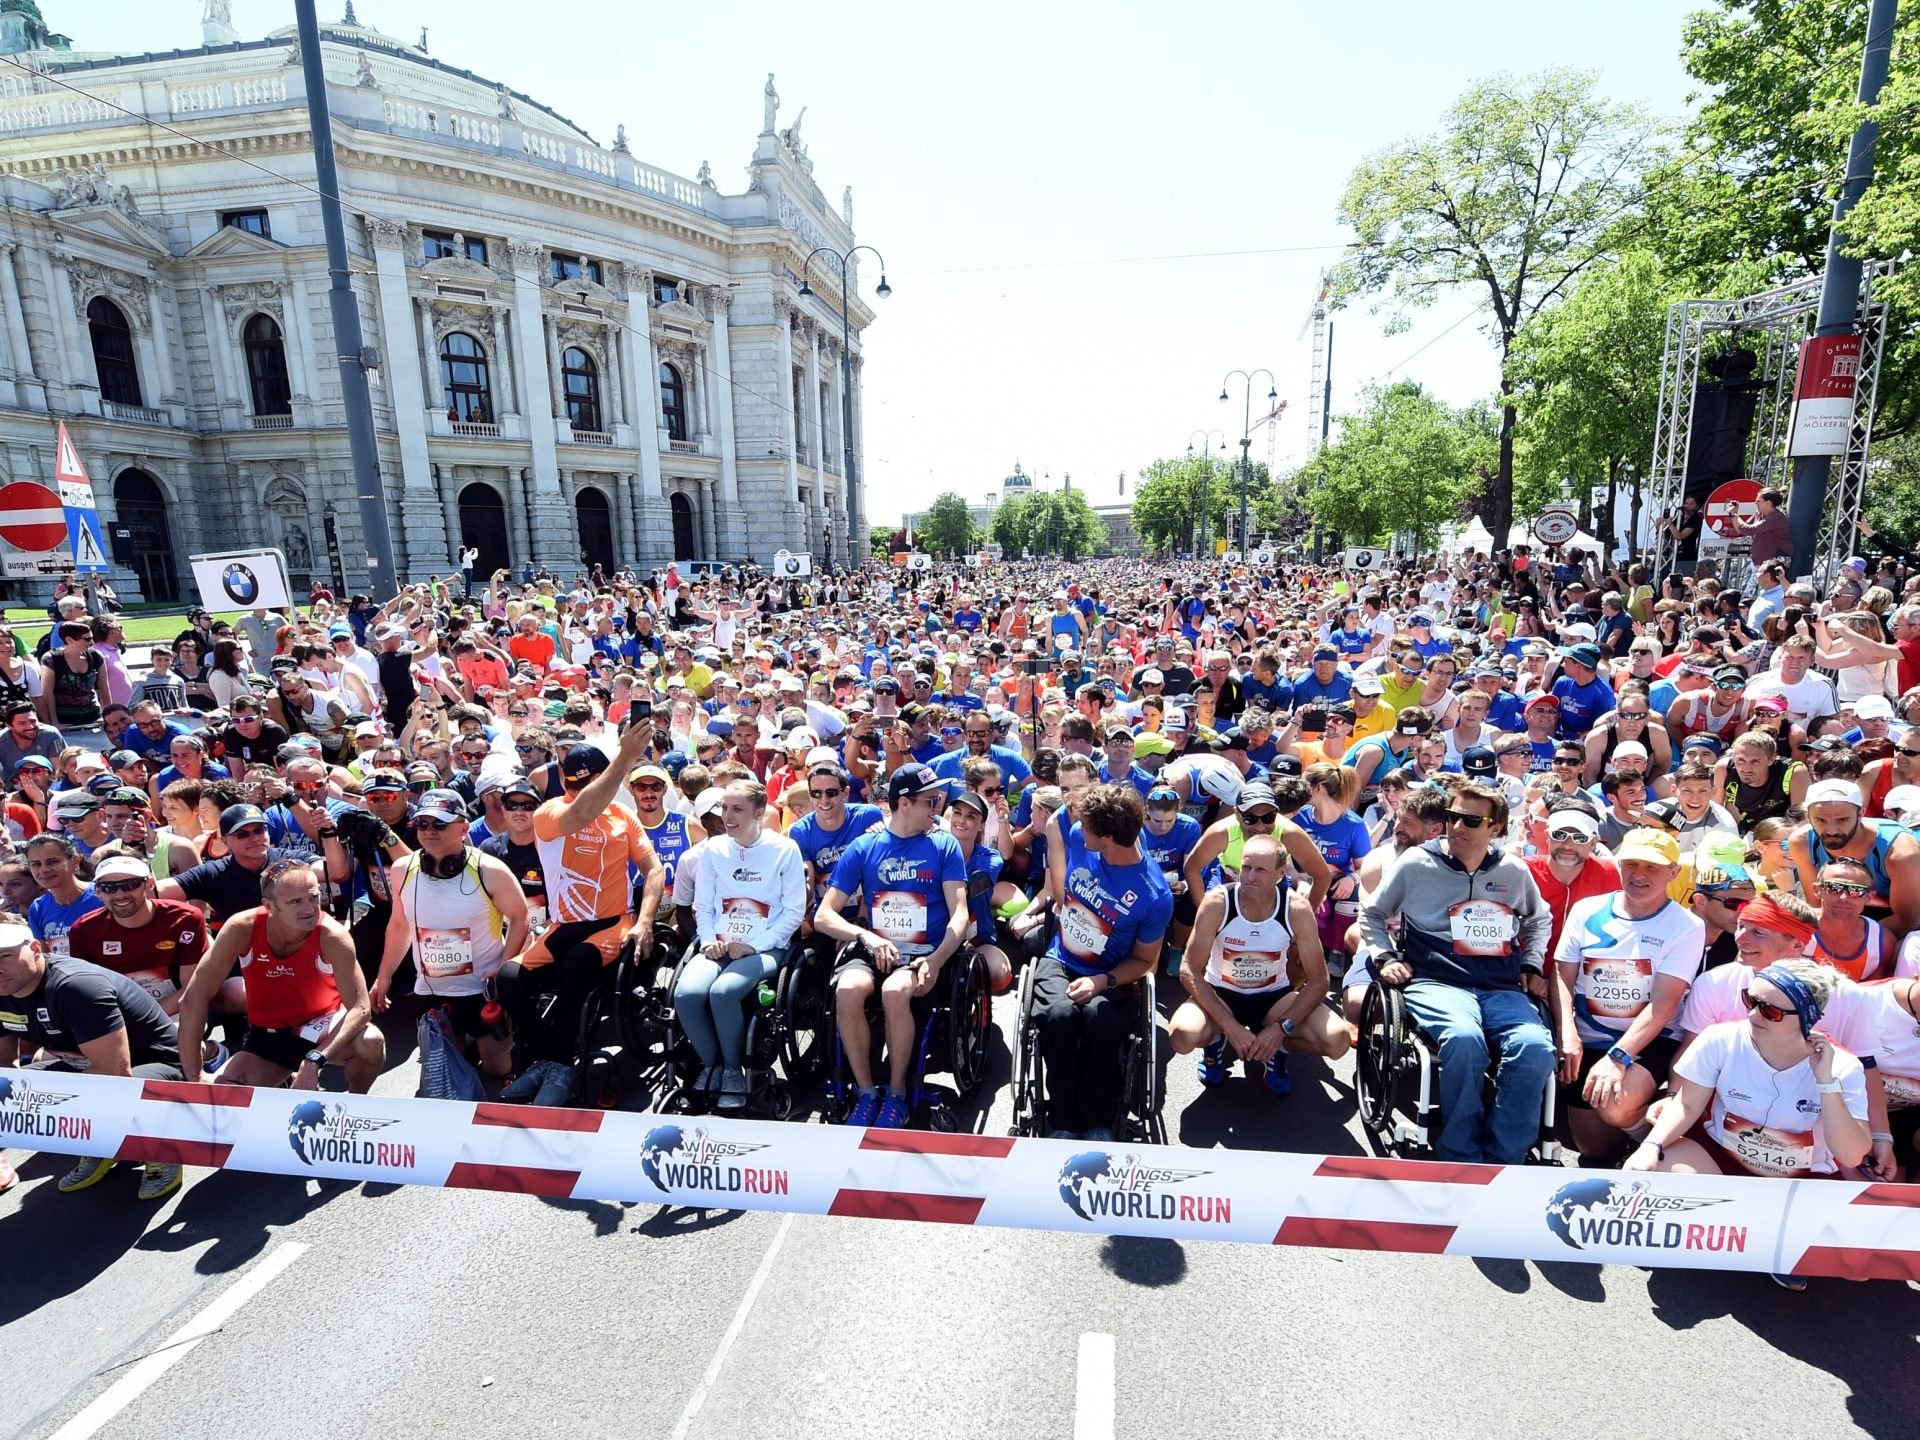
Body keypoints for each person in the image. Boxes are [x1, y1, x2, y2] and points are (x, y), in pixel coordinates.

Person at [1358, 780, 1555, 1164]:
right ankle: (1460, 1150)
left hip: (1500, 984)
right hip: (1437, 979)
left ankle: (1505, 1155)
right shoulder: (1417, 863)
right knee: (1464, 1040)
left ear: (1495, 828)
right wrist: (1385, 957)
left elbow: (1538, 919)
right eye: (1452, 817)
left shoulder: (1512, 871)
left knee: (1535, 1048)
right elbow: (1373, 913)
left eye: (1470, 820)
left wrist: (1532, 962)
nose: (1457, 827)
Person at [813, 764, 969, 1128]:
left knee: (896, 992)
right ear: (904, 803)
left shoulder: (944, 844)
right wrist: (863, 935)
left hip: (923, 952)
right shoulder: (864, 846)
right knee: (849, 990)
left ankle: (896, 1093)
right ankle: (866, 1092)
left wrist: (936, 958)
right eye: (930, 801)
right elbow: (824, 916)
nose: (937, 807)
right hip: (874, 945)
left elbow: (959, 914)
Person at [499, 725, 660, 1072]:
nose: (576, 792)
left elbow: (654, 870)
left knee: (575, 966)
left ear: (602, 779)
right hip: (566, 923)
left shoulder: (622, 816)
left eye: (585, 785)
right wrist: (624, 760)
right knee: (509, 978)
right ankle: (541, 1053)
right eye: (570, 785)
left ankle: (560, 1064)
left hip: (613, 923)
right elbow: (581, 813)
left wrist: (645, 922)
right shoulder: (550, 812)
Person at [0, 917, 187, 1200]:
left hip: (152, 1066)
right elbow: (6, 1069)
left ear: (36, 948)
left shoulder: (76, 987)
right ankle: (101, 1146)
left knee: (101, 1091)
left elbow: (115, 1074)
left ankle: (159, 1147)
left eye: (4, 956)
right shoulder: (4, 990)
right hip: (87, 1065)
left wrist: (48, 1102)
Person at [1550, 828, 1705, 1163]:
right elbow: (1562, 976)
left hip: (1651, 1039)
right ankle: (1631, 1146)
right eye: (1632, 864)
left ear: (1674, 873)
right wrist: (1568, 1034)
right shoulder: (1586, 910)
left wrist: (1617, 1058)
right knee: (1592, 1149)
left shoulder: (1686, 926)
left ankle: (1653, 1141)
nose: (1639, 874)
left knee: (1615, 1104)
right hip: (1588, 1039)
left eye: (1652, 867)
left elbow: (1664, 1005)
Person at [1031, 783, 1174, 1140]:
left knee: (1099, 1018)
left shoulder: (1153, 895)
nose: (1079, 827)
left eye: (1089, 825)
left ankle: (1098, 1119)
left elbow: (1144, 960)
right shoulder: (1081, 834)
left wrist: (1103, 981)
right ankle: (1062, 1118)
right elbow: (1063, 815)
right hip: (1062, 958)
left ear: (1108, 836)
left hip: (1111, 975)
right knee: (1060, 1016)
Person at [177, 859, 385, 1092]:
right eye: (296, 902)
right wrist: (195, 1075)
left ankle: (356, 1102)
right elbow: (193, 997)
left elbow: (361, 1008)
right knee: (226, 1096)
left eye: (314, 897)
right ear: (269, 906)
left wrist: (315, 1059)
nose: (309, 909)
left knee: (370, 1042)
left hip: (319, 1026)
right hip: (267, 1033)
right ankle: (283, 1078)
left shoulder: (332, 936)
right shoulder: (242, 927)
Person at [1167, 834, 1349, 1095]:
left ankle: (1277, 1049)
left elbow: (1319, 979)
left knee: (1337, 1041)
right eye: (1246, 867)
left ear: (1279, 874)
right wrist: (1230, 1026)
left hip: (1273, 999)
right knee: (1182, 1037)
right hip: (1222, 995)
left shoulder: (1295, 908)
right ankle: (1217, 1040)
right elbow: (1189, 969)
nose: (1250, 876)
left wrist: (1280, 1029)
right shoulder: (1218, 902)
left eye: (1261, 870)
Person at [372, 794, 529, 1082]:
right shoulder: (402, 869)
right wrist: (384, 976)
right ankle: (464, 1044)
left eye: (440, 824)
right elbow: (399, 924)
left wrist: (504, 968)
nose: (430, 831)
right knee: (447, 1073)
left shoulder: (489, 870)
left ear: (463, 827)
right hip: (431, 990)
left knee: (496, 1069)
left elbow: (520, 918)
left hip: (481, 987)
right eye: (422, 824)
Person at [681, 778, 806, 1109]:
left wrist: (756, 945)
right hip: (719, 942)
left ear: (760, 812)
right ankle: (713, 1066)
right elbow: (703, 906)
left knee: (723, 992)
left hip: (767, 946)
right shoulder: (714, 849)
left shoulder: (784, 849)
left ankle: (734, 1070)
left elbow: (794, 912)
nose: (727, 816)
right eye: (724, 808)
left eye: (737, 809)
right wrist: (708, 940)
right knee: (687, 993)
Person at [1788, 777, 1920, 944]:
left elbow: (1908, 918)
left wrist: (1855, 945)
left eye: (1842, 820)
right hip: (1842, 912)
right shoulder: (1801, 842)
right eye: (1821, 820)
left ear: (1861, 814)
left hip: (1898, 918)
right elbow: (1817, 904)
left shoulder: (1900, 852)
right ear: (1808, 816)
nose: (1831, 830)